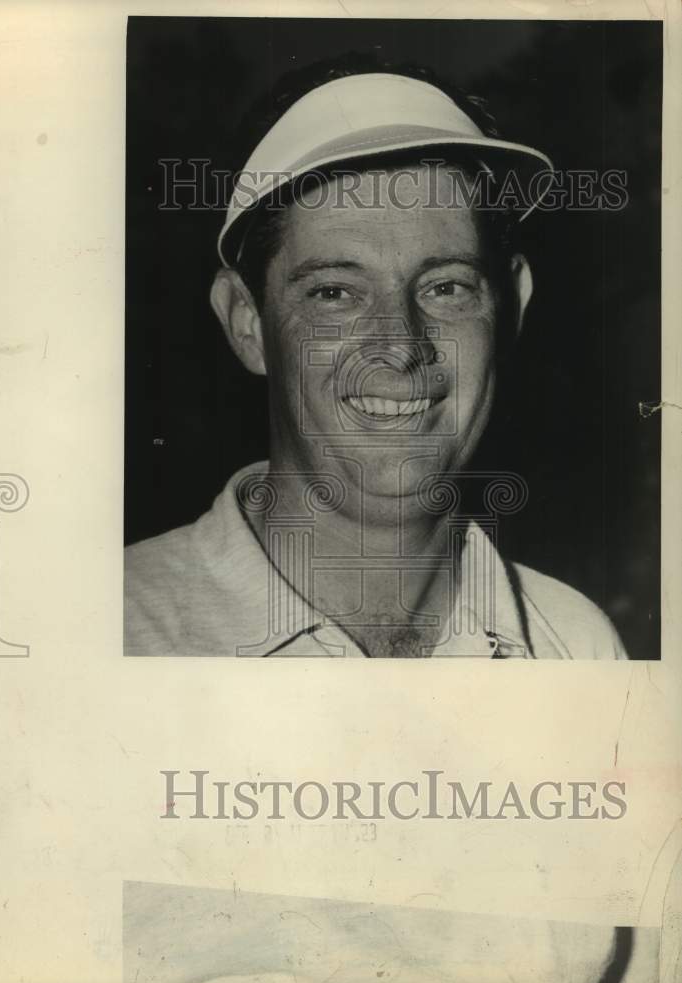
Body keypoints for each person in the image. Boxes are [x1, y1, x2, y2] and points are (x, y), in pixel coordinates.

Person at [125, 58, 627, 660]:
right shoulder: (118, 630)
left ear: (512, 306)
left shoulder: (577, 646)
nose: (400, 347)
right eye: (334, 292)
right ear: (246, 321)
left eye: (446, 287)